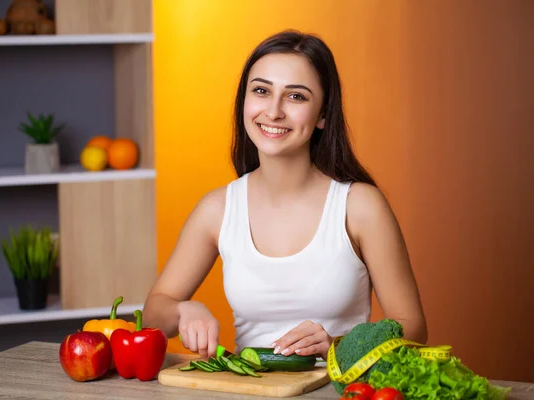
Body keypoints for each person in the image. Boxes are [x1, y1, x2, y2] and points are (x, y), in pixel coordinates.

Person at [142, 29, 427, 361]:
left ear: (322, 114)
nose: (274, 111)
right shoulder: (217, 209)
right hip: (249, 391)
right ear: (244, 101)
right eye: (261, 90)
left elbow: (414, 329)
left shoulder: (360, 206)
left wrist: (338, 344)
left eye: (296, 97)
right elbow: (153, 312)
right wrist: (182, 311)